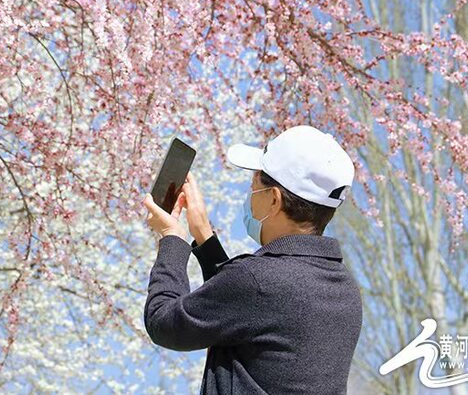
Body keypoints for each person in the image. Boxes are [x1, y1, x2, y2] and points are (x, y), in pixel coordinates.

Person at [142, 125, 363, 394]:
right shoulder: (345, 291)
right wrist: (204, 238)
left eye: (253, 186)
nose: (249, 195)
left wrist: (172, 239)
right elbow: (247, 311)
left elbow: (164, 322)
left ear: (274, 199)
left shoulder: (258, 279)